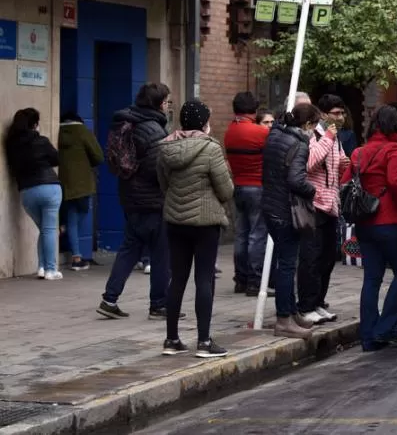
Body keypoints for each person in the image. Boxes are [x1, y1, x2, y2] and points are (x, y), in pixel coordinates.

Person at [341, 105, 397, 352]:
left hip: (365, 223)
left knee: (372, 278)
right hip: (391, 221)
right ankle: (383, 329)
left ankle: (368, 335)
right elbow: (396, 182)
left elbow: (345, 183)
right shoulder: (394, 149)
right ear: (396, 127)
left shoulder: (358, 153)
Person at [157, 99, 234, 358]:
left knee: (177, 278)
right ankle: (203, 342)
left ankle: (171, 339)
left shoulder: (166, 148)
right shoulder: (211, 149)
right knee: (204, 279)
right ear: (204, 123)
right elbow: (226, 189)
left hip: (175, 221)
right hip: (205, 222)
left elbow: (163, 183)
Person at [97, 83, 176, 320]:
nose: (168, 105)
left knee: (129, 249)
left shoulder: (126, 121)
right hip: (153, 201)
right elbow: (157, 168)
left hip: (129, 197)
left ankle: (109, 299)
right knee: (161, 253)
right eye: (166, 101)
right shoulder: (153, 129)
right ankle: (159, 305)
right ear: (159, 103)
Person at [261, 103, 321, 339]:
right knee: (287, 265)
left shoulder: (275, 136)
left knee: (285, 263)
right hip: (286, 210)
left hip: (269, 206)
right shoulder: (299, 144)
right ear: (307, 125)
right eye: (313, 127)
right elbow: (296, 180)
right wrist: (312, 190)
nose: (313, 132)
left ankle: (291, 312)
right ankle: (284, 318)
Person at [298, 95, 350, 325]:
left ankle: (319, 302)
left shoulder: (335, 138)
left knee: (328, 258)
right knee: (312, 258)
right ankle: (306, 305)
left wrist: (343, 165)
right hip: (315, 204)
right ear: (324, 114)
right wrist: (328, 136)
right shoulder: (314, 135)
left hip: (331, 205)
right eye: (336, 113)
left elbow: (336, 168)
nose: (340, 118)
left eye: (342, 113)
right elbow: (310, 163)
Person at [4, 108, 62, 280]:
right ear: (35, 124)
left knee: (45, 229)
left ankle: (42, 268)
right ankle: (51, 269)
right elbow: (56, 159)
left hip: (27, 192)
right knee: (50, 229)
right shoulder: (41, 141)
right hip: (49, 187)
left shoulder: (11, 144)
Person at [224, 92, 271, 296]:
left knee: (241, 234)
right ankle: (255, 281)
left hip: (238, 185)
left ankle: (240, 279)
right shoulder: (260, 132)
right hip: (258, 186)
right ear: (254, 110)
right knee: (257, 235)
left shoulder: (230, 131)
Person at [57, 112, 104, 271]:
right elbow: (98, 156)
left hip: (63, 182)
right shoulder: (83, 132)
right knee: (82, 212)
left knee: (71, 216)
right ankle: (63, 229)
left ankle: (76, 256)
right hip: (83, 183)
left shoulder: (57, 132)